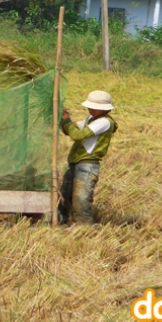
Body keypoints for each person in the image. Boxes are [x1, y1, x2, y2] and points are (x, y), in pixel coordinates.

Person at [58, 90, 118, 225]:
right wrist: (63, 120)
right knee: (65, 195)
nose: (90, 109)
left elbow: (78, 135)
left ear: (103, 109)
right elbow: (71, 130)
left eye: (93, 107)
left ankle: (85, 229)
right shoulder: (89, 120)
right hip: (75, 163)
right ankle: (63, 223)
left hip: (87, 165)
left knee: (81, 198)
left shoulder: (104, 122)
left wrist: (66, 119)